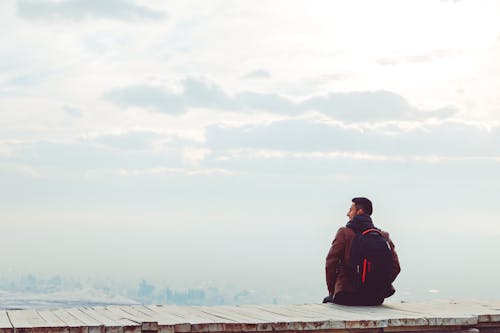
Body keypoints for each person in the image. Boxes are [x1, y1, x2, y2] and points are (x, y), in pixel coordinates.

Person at [323, 197, 400, 305]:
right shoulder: (383, 236)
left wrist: (333, 292)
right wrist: (379, 286)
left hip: (347, 296)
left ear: (359, 211)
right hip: (376, 299)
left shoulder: (344, 233)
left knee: (327, 302)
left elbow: (331, 263)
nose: (347, 214)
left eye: (350, 210)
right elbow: (396, 267)